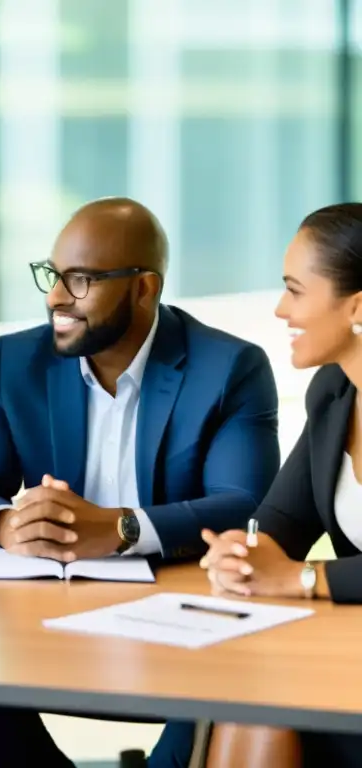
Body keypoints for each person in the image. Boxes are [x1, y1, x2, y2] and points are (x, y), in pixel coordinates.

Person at [0, 197, 282, 768]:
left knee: (223, 684)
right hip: (44, 612)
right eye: (53, 275)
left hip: (181, 616)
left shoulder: (230, 367)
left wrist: (121, 528)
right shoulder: (16, 360)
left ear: (144, 288)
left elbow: (245, 506)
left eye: (81, 280)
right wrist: (7, 523)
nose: (55, 298)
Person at [198, 202, 362, 768]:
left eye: (295, 290)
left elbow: (293, 566)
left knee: (265, 701)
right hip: (350, 650)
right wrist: (242, 555)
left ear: (358, 306)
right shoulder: (334, 392)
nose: (279, 309)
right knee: (248, 694)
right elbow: (282, 523)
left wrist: (297, 577)